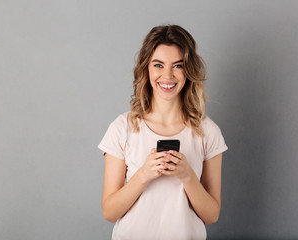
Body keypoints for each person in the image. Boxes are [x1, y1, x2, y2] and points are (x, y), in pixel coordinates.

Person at [98, 24, 228, 240]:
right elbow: (109, 212)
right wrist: (143, 175)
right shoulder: (123, 128)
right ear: (146, 68)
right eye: (158, 65)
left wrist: (187, 176)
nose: (167, 76)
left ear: (189, 71)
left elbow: (211, 215)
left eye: (177, 66)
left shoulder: (208, 132)